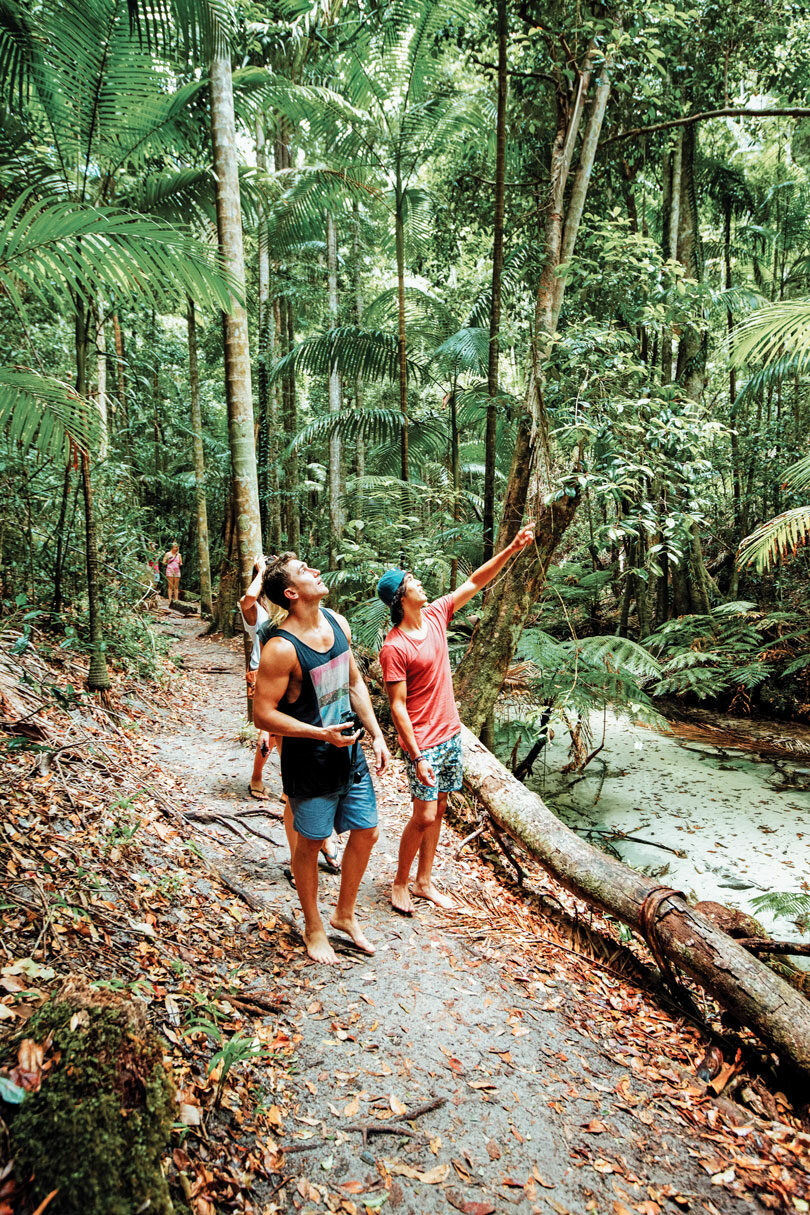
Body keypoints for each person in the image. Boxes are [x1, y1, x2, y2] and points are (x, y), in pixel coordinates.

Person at [377, 524, 535, 915]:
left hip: (450, 733)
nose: (421, 585)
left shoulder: (435, 615)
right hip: (423, 744)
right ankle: (400, 883)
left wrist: (512, 549)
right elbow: (397, 707)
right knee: (424, 813)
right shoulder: (393, 647)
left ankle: (424, 881)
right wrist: (415, 756)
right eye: (413, 582)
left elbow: (474, 582)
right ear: (401, 597)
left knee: (441, 806)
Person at [253, 553, 390, 965]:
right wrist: (320, 734)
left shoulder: (337, 622)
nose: (315, 571)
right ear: (291, 593)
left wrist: (379, 735)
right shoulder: (280, 647)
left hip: (349, 753)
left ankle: (343, 915)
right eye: (304, 572)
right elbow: (262, 713)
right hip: (309, 761)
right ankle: (313, 926)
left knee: (367, 831)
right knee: (310, 844)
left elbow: (353, 681)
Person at [162, 542, 182, 606]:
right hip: (170, 570)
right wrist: (168, 559)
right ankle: (170, 600)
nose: (176, 548)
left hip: (177, 571)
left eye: (177, 547)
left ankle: (176, 600)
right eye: (175, 547)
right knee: (170, 586)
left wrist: (180, 563)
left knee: (176, 586)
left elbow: (180, 562)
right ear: (172, 548)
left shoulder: (179, 555)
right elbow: (163, 563)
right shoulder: (168, 554)